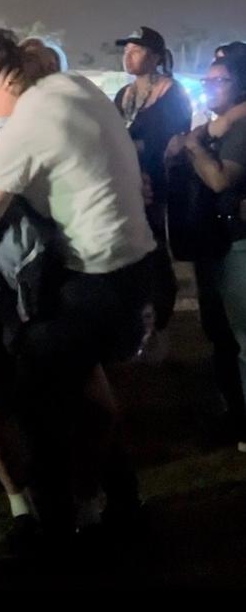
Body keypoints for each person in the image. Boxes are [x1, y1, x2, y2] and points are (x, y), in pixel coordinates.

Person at [0, 26, 156, 549]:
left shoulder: (25, 126)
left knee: (36, 408)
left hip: (93, 282)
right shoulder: (77, 87)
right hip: (139, 271)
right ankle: (122, 503)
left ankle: (58, 530)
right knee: (86, 394)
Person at [166, 54, 246, 451]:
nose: (210, 87)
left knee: (240, 337)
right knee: (222, 334)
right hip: (214, 242)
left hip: (235, 241)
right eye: (207, 80)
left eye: (220, 81)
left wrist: (194, 146)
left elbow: (219, 180)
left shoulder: (239, 128)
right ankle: (235, 415)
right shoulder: (219, 126)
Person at [114, 27, 192, 360]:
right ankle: (136, 323)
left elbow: (172, 140)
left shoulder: (172, 93)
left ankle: (160, 324)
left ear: (156, 56)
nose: (128, 55)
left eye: (136, 50)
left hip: (159, 186)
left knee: (156, 251)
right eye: (126, 50)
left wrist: (132, 148)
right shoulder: (124, 94)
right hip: (127, 184)